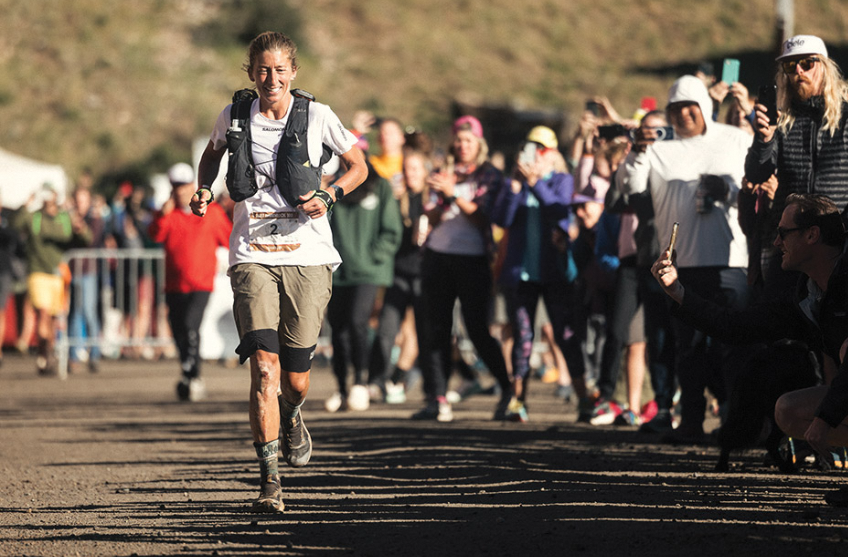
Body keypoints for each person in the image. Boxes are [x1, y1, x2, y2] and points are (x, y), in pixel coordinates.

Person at [190, 31, 367, 513]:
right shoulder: (233, 116)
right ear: (251, 72)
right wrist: (204, 188)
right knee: (263, 371)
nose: (271, 79)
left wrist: (330, 195)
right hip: (252, 255)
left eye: (280, 70)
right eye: (262, 70)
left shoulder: (319, 116)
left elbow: (358, 165)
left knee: (296, 380)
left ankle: (293, 415)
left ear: (294, 72)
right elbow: (212, 152)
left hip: (308, 257)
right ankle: (268, 480)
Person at [651, 193, 848, 506]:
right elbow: (737, 327)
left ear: (812, 235)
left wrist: (825, 421)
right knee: (789, 411)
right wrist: (678, 291)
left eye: (784, 233)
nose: (775, 242)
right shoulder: (807, 296)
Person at [616, 74, 752, 443]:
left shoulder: (736, 139)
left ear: (705, 106)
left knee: (733, 346)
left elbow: (756, 191)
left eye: (690, 106)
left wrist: (728, 189)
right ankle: (690, 421)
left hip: (731, 260)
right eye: (675, 108)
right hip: (681, 266)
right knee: (688, 348)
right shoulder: (660, 148)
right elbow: (629, 187)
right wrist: (637, 150)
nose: (684, 114)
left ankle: (737, 422)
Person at [414, 115, 513, 422]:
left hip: (473, 259)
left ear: (479, 144)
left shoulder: (490, 176)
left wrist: (452, 194)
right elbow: (431, 214)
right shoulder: (443, 172)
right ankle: (438, 397)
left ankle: (508, 389)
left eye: (468, 140)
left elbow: (485, 218)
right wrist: (437, 204)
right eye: (458, 139)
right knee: (438, 329)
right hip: (439, 256)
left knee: (477, 329)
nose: (462, 145)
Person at [490, 126, 583, 422]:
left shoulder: (561, 181)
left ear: (552, 153)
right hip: (521, 275)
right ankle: (517, 401)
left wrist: (536, 183)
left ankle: (585, 399)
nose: (535, 156)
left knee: (566, 336)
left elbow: (560, 212)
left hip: (554, 273)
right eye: (530, 149)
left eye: (541, 150)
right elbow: (501, 219)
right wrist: (516, 188)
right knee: (523, 338)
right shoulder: (515, 183)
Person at [745, 34, 848, 292]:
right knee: (780, 320)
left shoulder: (846, 116)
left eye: (807, 63)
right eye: (790, 66)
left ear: (823, 66)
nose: (798, 71)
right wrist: (764, 139)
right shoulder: (780, 118)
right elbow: (756, 173)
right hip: (791, 245)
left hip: (838, 244)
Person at [596, 110, 677, 432]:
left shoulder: (679, 162)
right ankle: (660, 405)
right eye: (646, 132)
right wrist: (632, 159)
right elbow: (615, 202)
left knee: (680, 337)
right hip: (644, 260)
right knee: (650, 337)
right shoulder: (634, 162)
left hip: (682, 260)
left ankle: (689, 405)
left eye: (658, 132)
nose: (651, 138)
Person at [149, 163, 232, 401]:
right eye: (176, 186)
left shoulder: (212, 212)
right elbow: (155, 235)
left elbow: (229, 238)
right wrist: (161, 216)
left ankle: (193, 375)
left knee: (190, 326)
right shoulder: (168, 214)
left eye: (184, 186)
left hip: (201, 284)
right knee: (178, 332)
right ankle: (188, 374)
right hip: (174, 285)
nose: (181, 191)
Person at [324, 162, 402, 412]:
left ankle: (360, 381)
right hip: (337, 271)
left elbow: (391, 231)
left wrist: (371, 258)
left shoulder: (379, 186)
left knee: (358, 322)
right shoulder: (332, 187)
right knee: (337, 328)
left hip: (368, 272)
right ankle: (341, 388)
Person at [367, 149, 431, 403]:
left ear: (425, 172)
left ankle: (400, 377)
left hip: (424, 275)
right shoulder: (397, 200)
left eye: (415, 169)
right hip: (398, 273)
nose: (410, 174)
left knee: (421, 332)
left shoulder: (431, 201)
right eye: (406, 169)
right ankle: (375, 381)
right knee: (386, 329)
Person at [14, 184, 92, 375]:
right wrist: (26, 205)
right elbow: (16, 225)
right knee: (43, 313)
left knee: (54, 319)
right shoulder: (34, 217)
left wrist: (80, 229)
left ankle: (46, 353)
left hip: (57, 274)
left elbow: (86, 239)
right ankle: (45, 354)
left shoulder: (64, 218)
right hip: (37, 272)